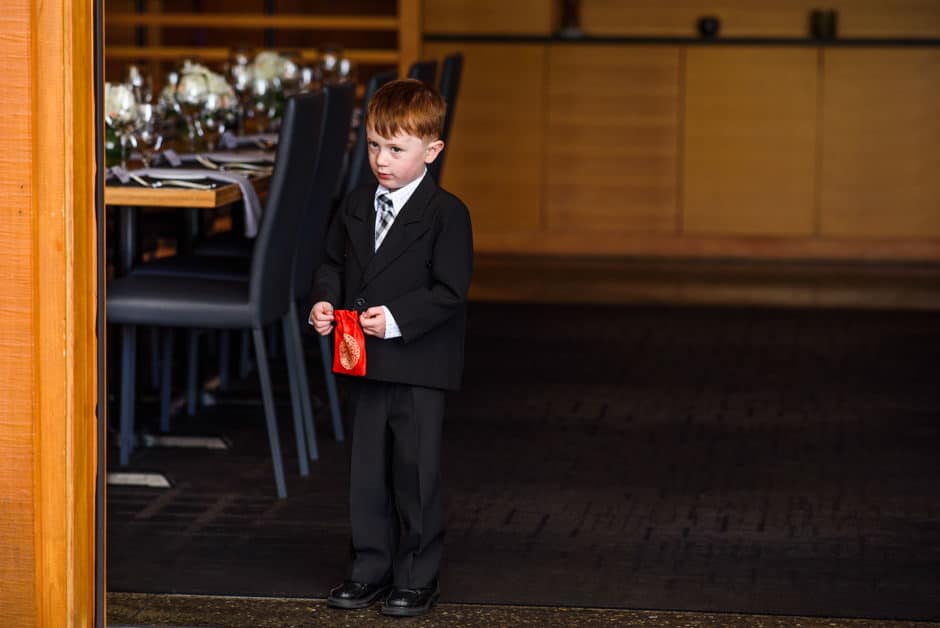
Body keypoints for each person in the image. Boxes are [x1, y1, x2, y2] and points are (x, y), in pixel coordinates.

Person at [308, 78, 474, 618]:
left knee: (415, 469)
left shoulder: (447, 214)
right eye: (375, 145)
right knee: (367, 470)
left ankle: (418, 574)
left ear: (432, 150)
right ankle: (369, 567)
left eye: (397, 149)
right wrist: (324, 303)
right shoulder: (356, 204)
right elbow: (332, 263)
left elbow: (450, 291)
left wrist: (398, 319)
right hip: (363, 357)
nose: (382, 160)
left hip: (418, 362)